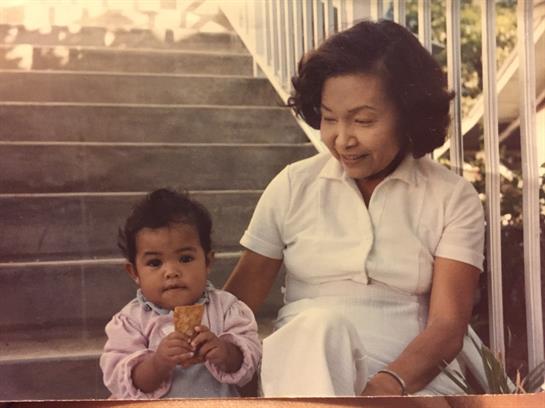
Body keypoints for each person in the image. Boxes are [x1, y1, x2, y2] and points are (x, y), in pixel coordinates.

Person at [224, 19, 485, 397]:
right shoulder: (294, 185)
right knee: (320, 328)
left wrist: (385, 386)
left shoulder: (451, 196)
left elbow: (447, 325)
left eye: (363, 120)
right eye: (329, 118)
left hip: (409, 377)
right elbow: (234, 307)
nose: (342, 139)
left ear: (408, 114)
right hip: (304, 368)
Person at [100, 188, 261, 398]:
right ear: (134, 272)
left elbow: (251, 359)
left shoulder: (227, 309)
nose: (172, 272)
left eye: (185, 259)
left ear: (208, 262)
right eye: (155, 263)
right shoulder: (130, 322)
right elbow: (122, 380)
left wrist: (226, 352)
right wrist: (157, 364)